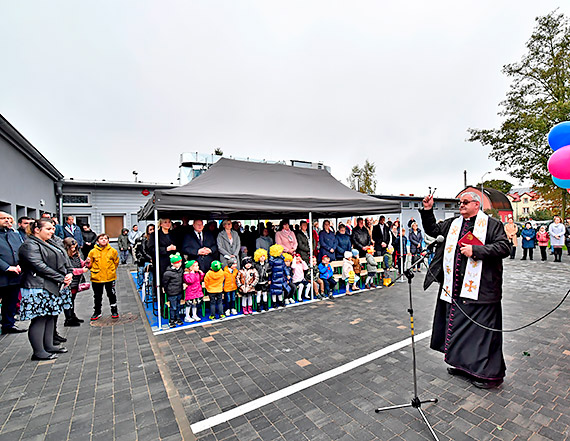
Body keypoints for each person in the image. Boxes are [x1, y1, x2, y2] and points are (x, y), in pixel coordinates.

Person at [420, 191, 510, 389]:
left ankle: (488, 376)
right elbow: (434, 230)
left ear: (477, 205)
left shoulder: (492, 225)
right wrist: (428, 210)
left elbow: (504, 248)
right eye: (460, 202)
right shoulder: (453, 224)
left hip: (482, 292)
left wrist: (476, 251)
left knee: (482, 335)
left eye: (465, 202)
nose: (461, 205)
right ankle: (461, 366)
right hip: (456, 290)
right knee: (459, 330)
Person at [18, 218, 73, 360]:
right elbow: (39, 265)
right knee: (39, 319)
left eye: (53, 228)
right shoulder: (29, 245)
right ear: (37, 230)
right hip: (37, 286)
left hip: (51, 285)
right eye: (48, 229)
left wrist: (69, 272)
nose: (52, 231)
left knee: (50, 316)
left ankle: (48, 345)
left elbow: (64, 258)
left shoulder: (49, 242)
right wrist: (61, 278)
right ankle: (38, 351)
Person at [0, 211, 27, 334]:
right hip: (2, 275)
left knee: (10, 302)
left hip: (15, 275)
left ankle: (8, 325)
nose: (7, 220)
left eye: (9, 218)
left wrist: (20, 265)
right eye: (3, 218)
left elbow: (20, 250)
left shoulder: (14, 235)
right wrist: (7, 267)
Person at [87, 234, 120, 321]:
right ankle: (97, 311)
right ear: (97, 241)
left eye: (106, 239)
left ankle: (114, 310)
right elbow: (89, 264)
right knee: (97, 296)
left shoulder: (113, 251)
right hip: (97, 278)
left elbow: (116, 262)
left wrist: (112, 270)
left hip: (110, 277)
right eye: (101, 239)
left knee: (111, 294)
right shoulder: (92, 252)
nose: (104, 240)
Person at [62, 238, 90, 326]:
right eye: (72, 247)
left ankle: (72, 316)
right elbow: (69, 270)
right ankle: (68, 319)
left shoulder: (76, 255)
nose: (74, 249)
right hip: (69, 282)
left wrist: (86, 262)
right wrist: (82, 270)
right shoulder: (65, 257)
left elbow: (81, 263)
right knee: (68, 300)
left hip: (76, 281)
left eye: (75, 247)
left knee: (72, 300)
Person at [162, 253, 184, 327]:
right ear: (172, 263)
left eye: (180, 262)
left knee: (178, 306)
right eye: (177, 263)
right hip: (172, 292)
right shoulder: (168, 273)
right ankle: (171, 320)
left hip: (179, 291)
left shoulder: (180, 270)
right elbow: (165, 282)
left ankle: (178, 318)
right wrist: (166, 289)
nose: (179, 264)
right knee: (173, 307)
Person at [134, 224, 154, 290]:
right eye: (150, 229)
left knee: (150, 276)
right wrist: (149, 258)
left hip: (150, 259)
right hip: (143, 259)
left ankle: (150, 290)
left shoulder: (155, 238)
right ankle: (141, 286)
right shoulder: (144, 239)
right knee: (141, 272)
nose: (152, 231)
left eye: (153, 229)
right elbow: (143, 250)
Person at [269, 244, 287, 308]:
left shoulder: (281, 259)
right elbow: (269, 270)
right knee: (274, 291)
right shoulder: (272, 260)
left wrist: (288, 274)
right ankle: (274, 303)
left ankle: (280, 301)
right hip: (274, 277)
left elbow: (285, 267)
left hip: (280, 277)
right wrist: (269, 279)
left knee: (280, 290)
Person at [254, 248, 271, 312]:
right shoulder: (256, 265)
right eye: (261, 256)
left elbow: (269, 272)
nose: (262, 258)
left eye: (263, 256)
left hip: (265, 281)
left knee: (265, 293)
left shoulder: (267, 264)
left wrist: (269, 279)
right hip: (258, 282)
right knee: (258, 294)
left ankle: (265, 305)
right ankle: (258, 306)